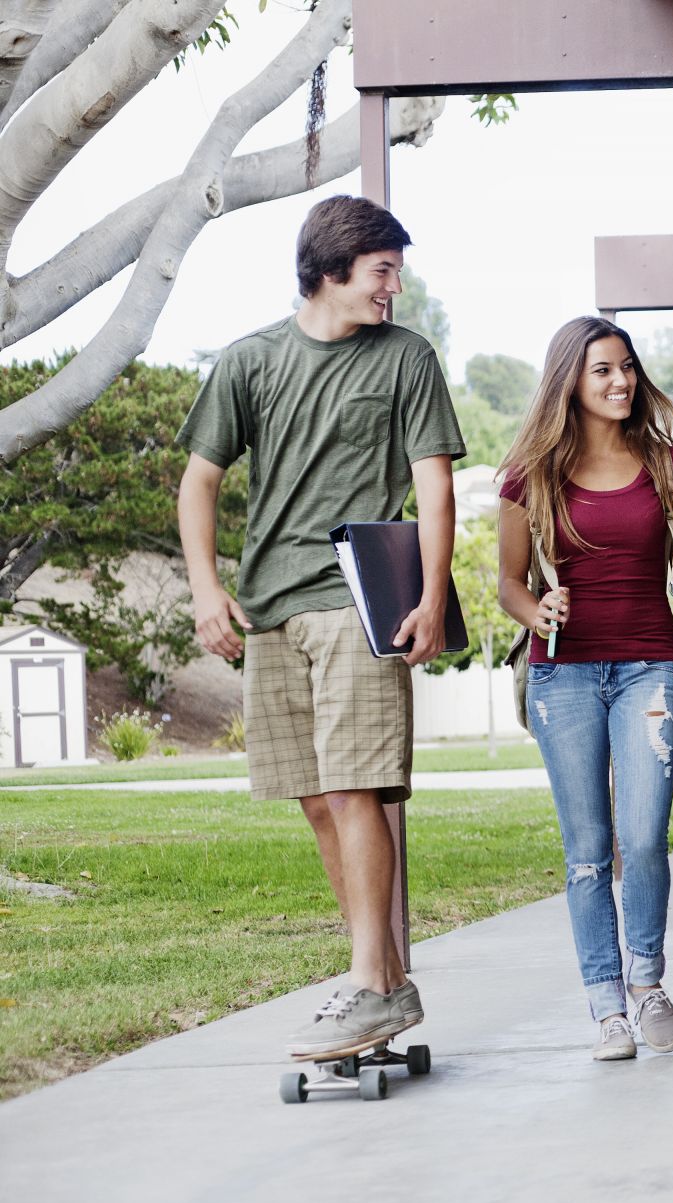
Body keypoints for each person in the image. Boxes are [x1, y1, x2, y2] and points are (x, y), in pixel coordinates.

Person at [177, 195, 463, 1060]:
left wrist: (433, 592)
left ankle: (371, 985)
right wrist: (206, 588)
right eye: (383, 270)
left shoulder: (406, 358)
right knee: (313, 795)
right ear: (331, 269)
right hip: (271, 605)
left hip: (357, 599)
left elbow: (436, 486)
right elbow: (200, 481)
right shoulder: (250, 362)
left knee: (355, 787)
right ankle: (379, 978)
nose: (395, 286)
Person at [497, 317, 673, 1061]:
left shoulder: (670, 466)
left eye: (627, 369)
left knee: (643, 837)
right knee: (588, 846)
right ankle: (606, 1004)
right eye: (602, 372)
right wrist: (537, 608)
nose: (620, 383)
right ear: (570, 385)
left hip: (649, 664)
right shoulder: (531, 474)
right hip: (566, 673)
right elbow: (508, 586)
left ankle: (647, 982)